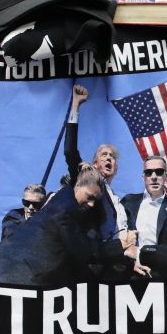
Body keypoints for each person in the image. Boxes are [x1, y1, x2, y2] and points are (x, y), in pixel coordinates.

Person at [0, 166, 134, 287]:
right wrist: (120, 246)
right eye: (26, 203)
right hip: (18, 282)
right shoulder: (58, 212)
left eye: (36, 204)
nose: (31, 207)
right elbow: (83, 250)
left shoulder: (77, 219)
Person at [65, 84, 130, 243]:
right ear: (94, 163)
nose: (109, 158)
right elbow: (70, 151)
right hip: (94, 253)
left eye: (112, 157)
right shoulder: (87, 180)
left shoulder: (116, 199)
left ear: (116, 168)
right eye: (104, 155)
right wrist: (76, 105)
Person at [121, 155, 167, 278]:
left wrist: (141, 252)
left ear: (166, 177)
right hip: (128, 273)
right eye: (148, 172)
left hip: (160, 276)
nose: (154, 177)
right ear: (143, 177)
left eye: (159, 172)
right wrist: (132, 261)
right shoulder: (128, 202)